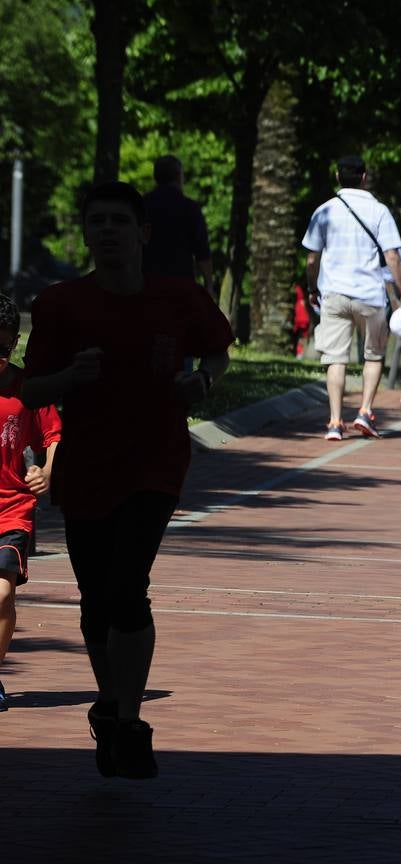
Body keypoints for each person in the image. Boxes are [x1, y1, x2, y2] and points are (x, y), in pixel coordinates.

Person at [22, 181, 233, 777]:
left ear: (142, 234)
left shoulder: (179, 297)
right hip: (88, 465)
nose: (108, 230)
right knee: (95, 602)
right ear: (87, 233)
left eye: (119, 220)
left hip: (156, 463)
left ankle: (132, 719)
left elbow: (218, 352)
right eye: (97, 221)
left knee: (126, 585)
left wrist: (204, 381)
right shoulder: (62, 304)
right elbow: (29, 389)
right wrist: (68, 377)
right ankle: (111, 705)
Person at [302, 154, 401, 440]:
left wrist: (312, 288)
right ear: (364, 178)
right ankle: (364, 411)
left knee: (335, 359)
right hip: (370, 295)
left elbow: (312, 258)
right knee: (373, 356)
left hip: (334, 293)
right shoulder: (379, 211)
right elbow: (391, 256)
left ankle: (335, 422)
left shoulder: (324, 211)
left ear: (338, 177)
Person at [0, 294, 61, 711]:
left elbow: (55, 435)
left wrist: (49, 471)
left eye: (4, 348)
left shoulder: (27, 387)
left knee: (2, 595)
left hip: (12, 509)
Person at [141, 155, 213, 289]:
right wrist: (209, 284)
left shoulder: (141, 206)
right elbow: (202, 253)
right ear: (178, 176)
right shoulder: (189, 208)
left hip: (147, 284)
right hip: (181, 285)